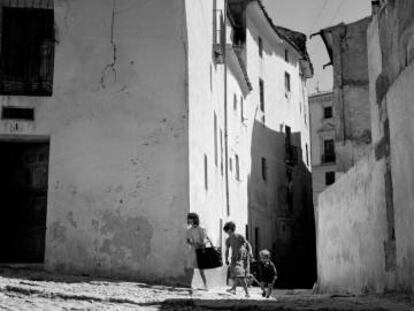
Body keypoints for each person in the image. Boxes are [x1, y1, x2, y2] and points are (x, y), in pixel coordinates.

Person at [223, 221, 252, 298]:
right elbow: (227, 250)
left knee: (240, 275)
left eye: (227, 230)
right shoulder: (228, 239)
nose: (227, 232)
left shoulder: (239, 236)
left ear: (230, 229)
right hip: (234, 258)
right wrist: (226, 259)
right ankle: (234, 289)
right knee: (236, 274)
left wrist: (250, 252)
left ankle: (247, 293)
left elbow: (248, 244)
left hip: (241, 257)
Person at [186, 213, 209, 290]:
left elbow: (205, 240)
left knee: (201, 269)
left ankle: (205, 285)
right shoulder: (189, 230)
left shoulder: (201, 229)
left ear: (194, 219)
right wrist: (192, 243)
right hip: (193, 250)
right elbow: (188, 241)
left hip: (201, 250)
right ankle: (190, 284)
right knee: (191, 268)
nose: (189, 220)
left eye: (190, 218)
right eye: (189, 218)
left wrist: (201, 244)